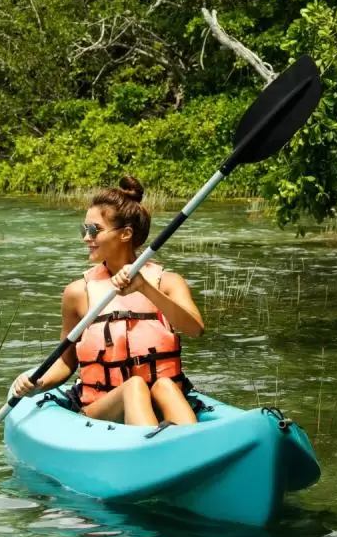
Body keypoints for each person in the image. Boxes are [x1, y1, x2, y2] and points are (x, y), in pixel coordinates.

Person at [11, 176, 205, 426]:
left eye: (94, 230)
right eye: (84, 230)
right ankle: (152, 450)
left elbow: (196, 329)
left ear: (125, 234)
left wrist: (145, 289)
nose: (86, 238)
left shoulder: (166, 282)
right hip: (102, 408)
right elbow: (66, 360)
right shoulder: (78, 292)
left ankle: (190, 447)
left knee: (166, 385)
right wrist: (39, 383)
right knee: (134, 387)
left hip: (160, 400)